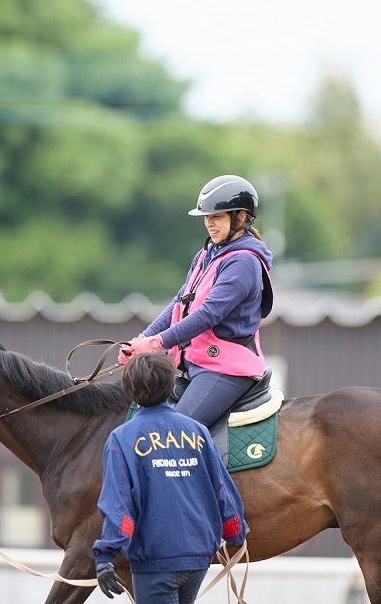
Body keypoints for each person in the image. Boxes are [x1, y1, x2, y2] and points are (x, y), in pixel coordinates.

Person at [118, 174, 274, 427]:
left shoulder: (243, 261)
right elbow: (179, 302)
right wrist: (141, 340)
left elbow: (208, 314)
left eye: (217, 217)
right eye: (207, 217)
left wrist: (157, 342)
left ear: (241, 218)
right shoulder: (206, 254)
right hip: (196, 365)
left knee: (173, 432)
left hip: (225, 369)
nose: (209, 223)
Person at [93, 351, 248, 603]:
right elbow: (221, 488)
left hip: (156, 560)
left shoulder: (122, 438)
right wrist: (235, 532)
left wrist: (105, 557)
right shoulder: (198, 431)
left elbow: (119, 504)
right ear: (170, 386)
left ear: (129, 389)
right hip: (197, 558)